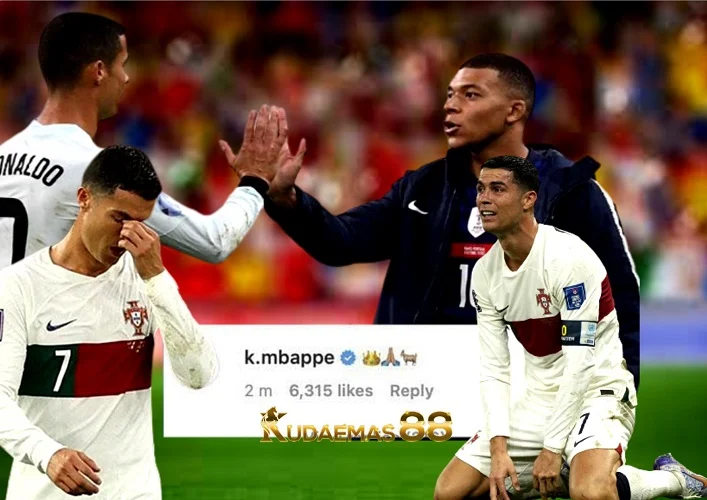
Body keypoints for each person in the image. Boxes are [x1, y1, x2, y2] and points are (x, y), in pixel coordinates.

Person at [251, 53, 640, 390]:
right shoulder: (422, 190)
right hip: (424, 393)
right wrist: (286, 199)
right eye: (450, 95)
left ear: (514, 111)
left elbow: (617, 292)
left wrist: (617, 392)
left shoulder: (569, 192)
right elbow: (340, 242)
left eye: (470, 95)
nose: (451, 106)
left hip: (526, 395)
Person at [433, 156, 706, 500]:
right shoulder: (485, 274)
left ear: (528, 199)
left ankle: (671, 479)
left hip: (596, 390)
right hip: (538, 399)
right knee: (451, 493)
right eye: (481, 189)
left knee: (590, 494)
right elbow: (494, 368)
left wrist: (551, 448)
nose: (484, 199)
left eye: (497, 189)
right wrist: (498, 449)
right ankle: (572, 471)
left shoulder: (568, 258)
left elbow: (580, 363)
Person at [0, 145, 218, 499]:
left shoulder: (145, 279)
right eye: (119, 218)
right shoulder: (18, 287)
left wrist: (157, 278)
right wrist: (47, 454)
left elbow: (199, 375)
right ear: (84, 199)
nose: (127, 235)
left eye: (140, 223)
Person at [0, 12, 292, 271]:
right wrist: (254, 180)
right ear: (99, 71)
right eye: (122, 64)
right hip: (56, 317)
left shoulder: (3, 155)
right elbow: (214, 241)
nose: (126, 78)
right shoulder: (96, 171)